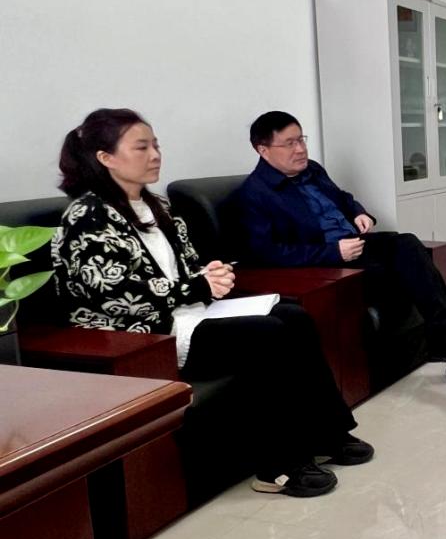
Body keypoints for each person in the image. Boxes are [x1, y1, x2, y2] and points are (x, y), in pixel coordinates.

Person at [52, 108, 373, 498]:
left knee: (294, 317)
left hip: (187, 314)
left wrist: (211, 273)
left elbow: (187, 268)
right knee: (268, 333)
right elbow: (116, 295)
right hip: (142, 334)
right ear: (106, 158)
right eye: (141, 147)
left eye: (156, 145)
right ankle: (277, 466)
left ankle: (328, 433)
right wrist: (197, 286)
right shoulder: (87, 215)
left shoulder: (156, 206)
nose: (155, 155)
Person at [236, 111, 446, 388]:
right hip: (325, 263)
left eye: (301, 139)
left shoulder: (312, 169)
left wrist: (359, 213)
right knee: (411, 270)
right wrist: (333, 252)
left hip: (355, 243)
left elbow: (342, 198)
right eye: (289, 143)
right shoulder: (254, 194)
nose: (300, 149)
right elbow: (266, 252)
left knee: (409, 244)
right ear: (263, 150)